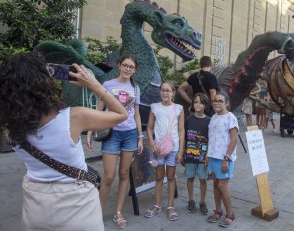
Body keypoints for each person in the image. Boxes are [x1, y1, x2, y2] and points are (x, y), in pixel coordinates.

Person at [0, 53, 128, 230]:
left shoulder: (9, 127)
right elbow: (121, 114)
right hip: (77, 206)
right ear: (44, 82)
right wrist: (94, 85)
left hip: (36, 206)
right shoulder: (73, 117)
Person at [86, 55, 144, 229]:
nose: (127, 69)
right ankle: (97, 212)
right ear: (119, 66)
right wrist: (89, 131)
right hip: (112, 134)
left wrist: (140, 137)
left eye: (131, 67)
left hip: (130, 134)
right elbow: (99, 110)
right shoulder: (108, 85)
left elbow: (137, 114)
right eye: (125, 65)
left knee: (124, 174)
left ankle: (118, 212)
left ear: (135, 70)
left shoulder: (136, 88)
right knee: (109, 176)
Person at [145, 81, 185, 221]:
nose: (164, 93)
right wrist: (151, 142)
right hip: (158, 148)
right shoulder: (155, 107)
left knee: (172, 176)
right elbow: (149, 127)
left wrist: (181, 150)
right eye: (162, 90)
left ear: (173, 93)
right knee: (159, 176)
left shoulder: (179, 108)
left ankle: (170, 206)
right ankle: (157, 205)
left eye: (168, 90)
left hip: (173, 148)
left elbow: (181, 130)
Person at [206, 91, 239, 228]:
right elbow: (211, 139)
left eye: (220, 101)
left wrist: (226, 159)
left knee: (222, 186)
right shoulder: (213, 117)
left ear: (227, 103)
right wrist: (207, 156)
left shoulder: (230, 117)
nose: (217, 103)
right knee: (215, 185)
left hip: (224, 159)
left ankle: (230, 214)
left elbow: (234, 139)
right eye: (215, 100)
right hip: (213, 157)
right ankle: (218, 211)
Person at [184, 93, 210, 215]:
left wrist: (208, 155)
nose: (198, 104)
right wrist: (183, 152)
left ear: (205, 105)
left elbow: (211, 140)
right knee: (190, 178)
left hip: (203, 157)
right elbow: (184, 138)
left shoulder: (209, 121)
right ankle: (191, 200)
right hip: (190, 156)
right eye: (195, 102)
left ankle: (203, 201)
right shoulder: (188, 119)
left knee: (203, 179)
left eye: (200, 102)